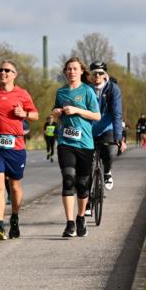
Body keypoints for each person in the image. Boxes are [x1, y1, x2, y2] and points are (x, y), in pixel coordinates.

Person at [0, 60, 39, 240]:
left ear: (14, 74)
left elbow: (36, 115)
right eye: (1, 70)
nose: (3, 72)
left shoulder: (22, 94)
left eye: (8, 70)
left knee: (15, 187)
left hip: (16, 146)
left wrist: (25, 115)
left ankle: (14, 217)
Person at [52, 57, 101, 238]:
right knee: (68, 179)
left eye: (74, 69)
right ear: (65, 72)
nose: (71, 72)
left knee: (82, 185)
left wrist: (77, 110)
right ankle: (69, 223)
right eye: (68, 69)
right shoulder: (61, 92)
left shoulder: (87, 91)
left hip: (85, 144)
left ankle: (80, 218)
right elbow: (56, 112)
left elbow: (97, 116)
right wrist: (56, 113)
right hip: (66, 143)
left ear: (81, 71)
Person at [88, 61, 123, 192]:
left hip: (107, 128)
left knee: (108, 153)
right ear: (90, 75)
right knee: (86, 166)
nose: (97, 76)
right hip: (89, 129)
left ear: (105, 74)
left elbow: (117, 113)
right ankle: (86, 204)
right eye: (94, 73)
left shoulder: (113, 89)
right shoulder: (85, 88)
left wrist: (119, 136)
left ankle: (107, 172)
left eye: (100, 73)